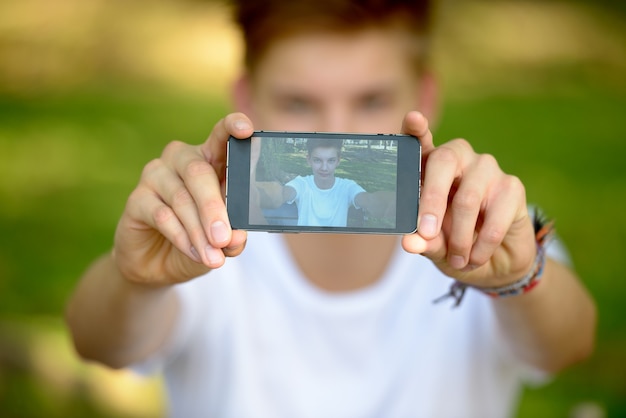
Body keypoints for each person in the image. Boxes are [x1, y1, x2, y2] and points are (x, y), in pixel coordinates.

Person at [65, 1, 597, 417]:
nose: (337, 131)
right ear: (246, 102)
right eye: (299, 101)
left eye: (371, 100)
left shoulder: (482, 221)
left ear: (425, 98)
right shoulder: (203, 224)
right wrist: (135, 279)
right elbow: (98, 344)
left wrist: (521, 276)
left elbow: (568, 347)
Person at [254, 137, 395, 227]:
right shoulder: (302, 184)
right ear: (308, 160)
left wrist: (395, 204)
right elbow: (282, 194)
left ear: (338, 161)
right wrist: (254, 192)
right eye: (317, 160)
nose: (324, 168)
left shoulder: (347, 187)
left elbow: (369, 200)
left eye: (331, 160)